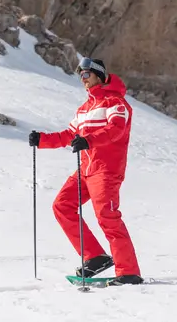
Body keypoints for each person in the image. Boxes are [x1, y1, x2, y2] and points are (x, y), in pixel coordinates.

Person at [29, 58, 143, 286]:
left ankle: (128, 271)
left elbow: (116, 130)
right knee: (62, 206)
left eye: (86, 75)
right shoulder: (84, 109)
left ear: (99, 75)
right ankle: (95, 257)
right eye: (80, 75)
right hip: (86, 169)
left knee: (107, 217)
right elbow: (68, 136)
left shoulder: (116, 103)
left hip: (106, 170)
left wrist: (88, 140)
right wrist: (41, 140)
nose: (83, 80)